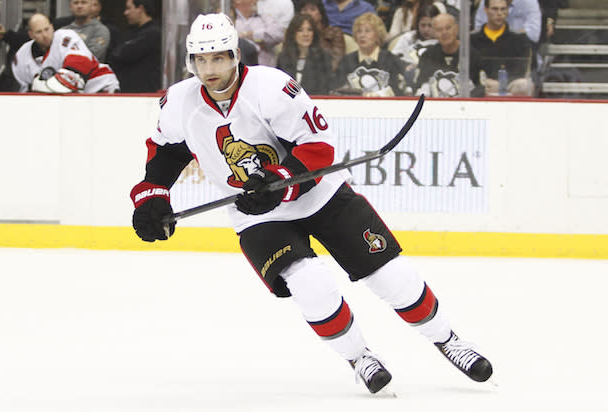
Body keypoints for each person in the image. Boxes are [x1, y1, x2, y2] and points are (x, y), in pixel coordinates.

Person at [129, 12, 493, 395]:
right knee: (310, 284)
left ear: (236, 55)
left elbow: (319, 147)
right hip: (255, 215)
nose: (209, 68)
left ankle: (449, 341)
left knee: (391, 276)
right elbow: (166, 153)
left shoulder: (271, 87)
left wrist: (278, 181)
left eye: (218, 57)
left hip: (322, 195)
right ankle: (359, 357)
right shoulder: (178, 102)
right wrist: (152, 197)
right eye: (200, 60)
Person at [11, 13, 119, 94]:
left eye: (47, 29)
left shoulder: (66, 37)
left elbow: (79, 68)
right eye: (39, 32)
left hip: (100, 86)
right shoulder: (22, 56)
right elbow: (25, 92)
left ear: (52, 27)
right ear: (31, 34)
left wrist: (43, 86)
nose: (45, 35)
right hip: (71, 98)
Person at [332, 12, 408, 96]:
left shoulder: (391, 60)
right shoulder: (346, 61)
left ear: (378, 34)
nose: (362, 35)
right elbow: (338, 89)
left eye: (367, 31)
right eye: (359, 31)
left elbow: (399, 90)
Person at [414, 13, 485, 97]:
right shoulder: (427, 56)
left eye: (448, 28)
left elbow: (481, 88)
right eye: (439, 30)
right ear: (434, 33)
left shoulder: (472, 55)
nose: (444, 33)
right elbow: (419, 88)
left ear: (456, 29)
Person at [471, 0, 533, 95]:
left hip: (509, 90)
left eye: (503, 9)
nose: (499, 13)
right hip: (481, 89)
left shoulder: (519, 40)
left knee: (524, 85)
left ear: (508, 11)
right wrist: (484, 84)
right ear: (486, 10)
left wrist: (502, 85)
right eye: (495, 9)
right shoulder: (472, 39)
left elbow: (521, 71)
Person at [109, 0, 161, 92]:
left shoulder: (153, 33)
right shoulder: (130, 33)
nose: (125, 13)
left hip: (144, 94)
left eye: (129, 8)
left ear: (140, 8)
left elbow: (123, 54)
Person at [277, 13, 334, 94]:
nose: (306, 34)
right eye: (300, 30)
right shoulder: (284, 57)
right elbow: (280, 86)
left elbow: (325, 87)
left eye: (309, 30)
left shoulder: (323, 57)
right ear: (293, 33)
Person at [390, 3, 440, 88]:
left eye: (430, 25)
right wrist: (405, 65)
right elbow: (392, 58)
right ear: (417, 24)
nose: (426, 29)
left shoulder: (441, 42)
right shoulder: (408, 38)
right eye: (423, 25)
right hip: (405, 78)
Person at [233, 0, 285, 67]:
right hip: (239, 69)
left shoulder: (264, 18)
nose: (255, 1)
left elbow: (278, 35)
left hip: (264, 69)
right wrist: (262, 40)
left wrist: (250, 35)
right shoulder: (230, 18)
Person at [298, 0, 346, 72]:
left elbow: (337, 61)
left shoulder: (334, 33)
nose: (308, 13)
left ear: (321, 14)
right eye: (305, 10)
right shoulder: (295, 35)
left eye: (312, 9)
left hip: (325, 76)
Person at [473, 0, 542, 44]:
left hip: (521, 52)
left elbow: (533, 34)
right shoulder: (486, 2)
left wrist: (504, 37)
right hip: (490, 51)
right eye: (495, 9)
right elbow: (479, 32)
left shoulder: (529, 2)